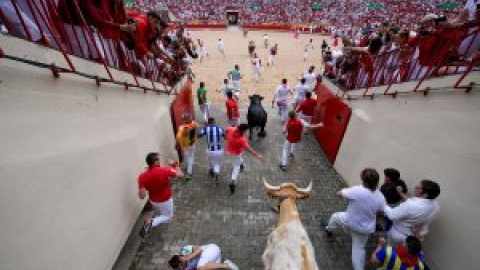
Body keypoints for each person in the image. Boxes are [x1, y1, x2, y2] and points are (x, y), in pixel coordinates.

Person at [322, 168, 386, 270]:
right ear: (377, 182)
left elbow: (339, 193)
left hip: (350, 221)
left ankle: (329, 229)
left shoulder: (357, 190)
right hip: (365, 228)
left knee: (335, 216)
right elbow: (381, 212)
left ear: (364, 181)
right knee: (358, 250)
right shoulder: (381, 197)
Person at [137, 152, 184, 237]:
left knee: (161, 213)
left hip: (153, 200)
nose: (160, 161)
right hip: (166, 200)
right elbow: (180, 175)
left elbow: (142, 196)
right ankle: (150, 222)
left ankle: (156, 220)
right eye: (158, 159)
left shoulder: (142, 176)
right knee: (168, 216)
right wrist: (175, 164)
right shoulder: (164, 170)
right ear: (155, 162)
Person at [383, 180, 440, 246]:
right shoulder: (436, 206)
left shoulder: (411, 205)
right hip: (417, 237)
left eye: (418, 187)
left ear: (425, 194)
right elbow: (414, 205)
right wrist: (401, 193)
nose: (415, 187)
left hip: (400, 235)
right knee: (407, 255)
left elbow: (391, 215)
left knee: (391, 252)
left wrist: (384, 203)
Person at [225, 124, 263, 194]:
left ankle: (241, 164)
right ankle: (233, 180)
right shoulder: (242, 140)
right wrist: (257, 155)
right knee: (236, 167)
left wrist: (226, 137)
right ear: (244, 131)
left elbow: (226, 130)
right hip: (236, 153)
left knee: (240, 159)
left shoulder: (232, 129)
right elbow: (249, 149)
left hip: (229, 150)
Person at [168, 244, 239, 270]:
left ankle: (227, 265)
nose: (181, 268)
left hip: (211, 250)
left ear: (180, 258)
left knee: (200, 268)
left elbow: (200, 248)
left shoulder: (185, 250)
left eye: (180, 266)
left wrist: (190, 257)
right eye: (179, 268)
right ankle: (225, 264)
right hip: (212, 261)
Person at [198, 117, 224, 184]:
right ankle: (217, 173)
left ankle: (212, 170)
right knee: (217, 163)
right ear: (214, 122)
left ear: (208, 122)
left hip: (210, 150)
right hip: (219, 150)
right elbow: (226, 137)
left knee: (211, 160)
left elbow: (198, 136)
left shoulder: (206, 128)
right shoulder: (220, 129)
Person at [176, 113, 198, 181]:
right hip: (193, 143)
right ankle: (189, 167)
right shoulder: (194, 123)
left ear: (185, 120)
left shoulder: (182, 127)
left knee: (189, 157)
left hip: (186, 145)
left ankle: (189, 173)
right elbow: (196, 127)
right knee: (191, 156)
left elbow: (178, 137)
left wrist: (177, 144)